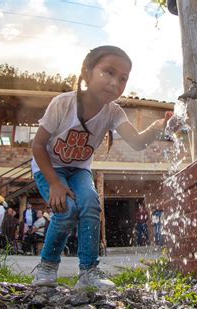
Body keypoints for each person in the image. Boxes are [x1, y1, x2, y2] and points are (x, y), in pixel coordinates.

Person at [31, 45, 172, 289]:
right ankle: (46, 267)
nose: (115, 82)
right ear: (87, 72)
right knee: (66, 209)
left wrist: (162, 124)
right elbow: (38, 145)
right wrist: (54, 183)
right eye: (108, 72)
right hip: (50, 166)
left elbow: (137, 142)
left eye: (123, 78)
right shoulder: (63, 104)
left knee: (91, 204)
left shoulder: (113, 112)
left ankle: (88, 272)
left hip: (79, 169)